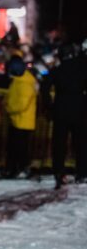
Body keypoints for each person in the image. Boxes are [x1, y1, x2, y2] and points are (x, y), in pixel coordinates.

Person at [42, 43, 87, 188]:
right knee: (80, 143)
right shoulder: (82, 69)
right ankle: (82, 172)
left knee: (59, 144)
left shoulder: (57, 70)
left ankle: (59, 172)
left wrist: (49, 106)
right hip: (80, 109)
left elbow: (45, 87)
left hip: (61, 109)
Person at [4, 56, 37, 178]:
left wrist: (9, 109)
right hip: (17, 120)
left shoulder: (25, 84)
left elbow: (21, 104)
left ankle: (21, 168)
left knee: (21, 148)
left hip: (23, 122)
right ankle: (14, 168)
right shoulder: (18, 81)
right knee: (14, 147)